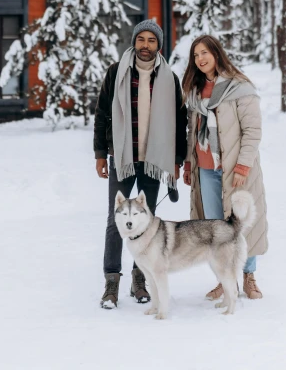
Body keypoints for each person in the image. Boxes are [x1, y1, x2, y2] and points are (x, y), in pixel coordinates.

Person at [93, 20, 187, 308]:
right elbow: (101, 114)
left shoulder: (169, 78)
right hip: (122, 157)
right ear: (134, 41)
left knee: (148, 222)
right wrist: (100, 153)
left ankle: (139, 280)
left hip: (154, 161)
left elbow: (179, 121)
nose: (146, 45)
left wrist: (177, 160)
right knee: (115, 221)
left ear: (159, 45)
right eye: (141, 39)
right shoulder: (116, 72)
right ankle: (111, 283)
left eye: (152, 41)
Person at [182, 34, 268, 300]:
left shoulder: (239, 86)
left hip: (236, 170)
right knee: (215, 228)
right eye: (196, 55)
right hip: (206, 169)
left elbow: (252, 131)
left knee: (243, 224)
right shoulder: (195, 91)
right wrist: (188, 164)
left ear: (217, 54)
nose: (200, 59)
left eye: (205, 52)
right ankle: (223, 278)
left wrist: (243, 166)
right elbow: (192, 132)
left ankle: (248, 276)